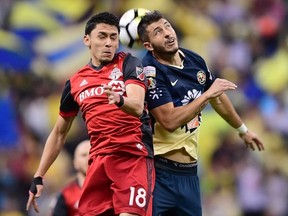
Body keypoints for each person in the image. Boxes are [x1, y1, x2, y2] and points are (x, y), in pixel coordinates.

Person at [26, 12, 155, 216]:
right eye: (102, 36)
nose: (108, 43)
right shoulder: (75, 82)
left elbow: (138, 105)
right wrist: (39, 176)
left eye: (113, 37)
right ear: (87, 40)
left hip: (131, 156)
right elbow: (59, 133)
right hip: (98, 163)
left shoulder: (129, 64)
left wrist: (119, 100)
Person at [137, 10, 265, 216]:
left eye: (167, 26)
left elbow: (219, 97)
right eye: (158, 32)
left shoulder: (193, 59)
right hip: (158, 172)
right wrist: (205, 97)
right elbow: (168, 120)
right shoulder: (150, 70)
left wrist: (242, 129)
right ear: (148, 45)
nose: (168, 33)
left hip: (189, 174)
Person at [51, 139, 90, 216]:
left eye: (92, 154)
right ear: (75, 163)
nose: (88, 158)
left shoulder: (109, 189)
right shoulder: (66, 195)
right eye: (83, 155)